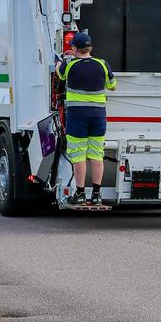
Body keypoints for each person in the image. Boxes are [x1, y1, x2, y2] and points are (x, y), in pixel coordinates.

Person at [57, 31, 116, 205]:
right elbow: (112, 86)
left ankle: (81, 193)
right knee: (97, 155)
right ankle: (97, 194)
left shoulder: (70, 66)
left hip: (77, 117)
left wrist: (61, 60)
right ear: (90, 48)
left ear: (75, 48)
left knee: (79, 156)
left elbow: (59, 74)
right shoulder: (102, 64)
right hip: (98, 117)